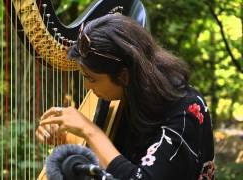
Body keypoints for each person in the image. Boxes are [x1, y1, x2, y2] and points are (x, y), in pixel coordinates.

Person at [36, 14, 215, 180]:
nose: (87, 87)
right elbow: (108, 165)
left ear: (124, 76)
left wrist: (90, 131)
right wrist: (65, 140)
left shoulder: (187, 109)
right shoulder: (126, 100)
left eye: (92, 79)